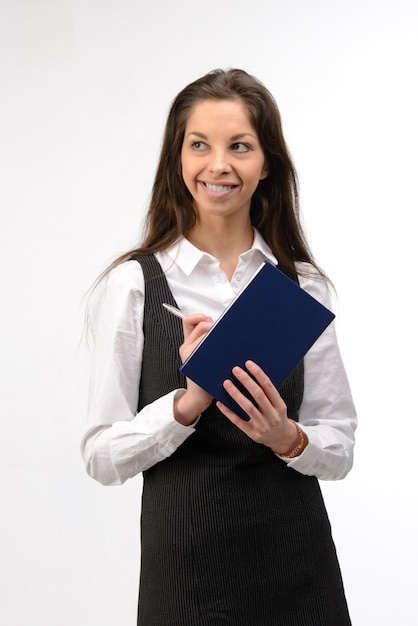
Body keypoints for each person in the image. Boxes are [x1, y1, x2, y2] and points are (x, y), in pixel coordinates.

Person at [81, 68, 357, 626]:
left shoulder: (301, 285)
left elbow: (340, 446)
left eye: (240, 146)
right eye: (199, 145)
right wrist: (186, 405)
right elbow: (101, 457)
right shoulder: (136, 285)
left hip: (297, 573)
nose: (219, 165)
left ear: (267, 163)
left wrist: (288, 438)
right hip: (186, 577)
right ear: (177, 159)